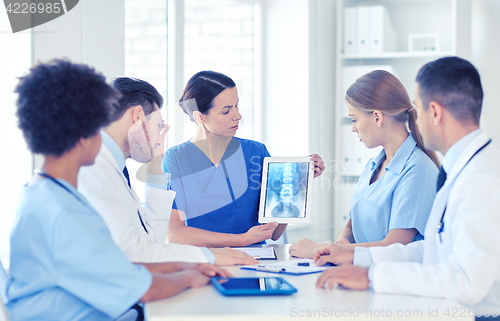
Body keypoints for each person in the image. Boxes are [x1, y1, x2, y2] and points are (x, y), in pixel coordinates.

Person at [7, 60, 230, 320]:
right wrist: (190, 275)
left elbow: (115, 267)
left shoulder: (49, 196)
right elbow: (139, 287)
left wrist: (185, 265)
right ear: (83, 132)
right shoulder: (63, 211)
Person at [315, 57, 500, 315]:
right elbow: (432, 250)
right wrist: (358, 258)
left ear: (434, 112)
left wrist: (373, 278)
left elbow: (467, 282)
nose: (415, 117)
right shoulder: (462, 169)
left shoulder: (482, 179)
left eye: (418, 108)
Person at [77, 77, 257, 266]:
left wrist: (155, 163)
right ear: (138, 116)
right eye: (157, 126)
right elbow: (130, 253)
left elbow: (151, 238)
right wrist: (210, 256)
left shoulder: (115, 169)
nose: (159, 136)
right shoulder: (92, 170)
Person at [163, 71, 325, 247]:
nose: (237, 116)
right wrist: (242, 240)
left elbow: (274, 233)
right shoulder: (176, 159)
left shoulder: (256, 152)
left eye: (236, 106)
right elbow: (175, 235)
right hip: (204, 267)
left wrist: (297, 181)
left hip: (252, 265)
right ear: (199, 116)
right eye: (226, 111)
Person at [290, 70, 439, 259]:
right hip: (360, 274)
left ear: (377, 117)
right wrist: (341, 242)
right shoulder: (373, 165)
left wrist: (325, 249)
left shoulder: (418, 171)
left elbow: (393, 247)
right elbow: (351, 227)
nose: (353, 128)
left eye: (354, 119)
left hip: (395, 280)